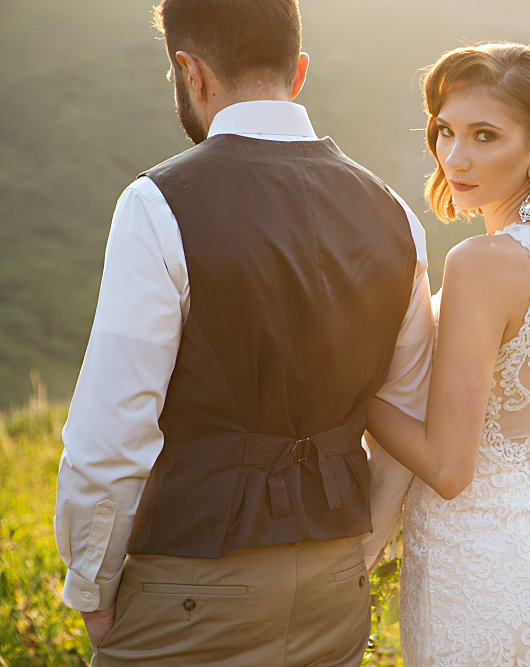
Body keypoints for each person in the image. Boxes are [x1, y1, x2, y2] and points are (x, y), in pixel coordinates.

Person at [52, 0, 433, 664]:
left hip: (192, 587)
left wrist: (94, 590)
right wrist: (356, 553)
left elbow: (109, 439)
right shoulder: (397, 215)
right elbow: (406, 418)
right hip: (335, 586)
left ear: (189, 73)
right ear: (299, 72)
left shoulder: (158, 203)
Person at [365, 43, 530, 665]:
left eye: (485, 136)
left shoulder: (482, 265)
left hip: (480, 571)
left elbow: (450, 468)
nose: (455, 157)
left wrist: (353, 394)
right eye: (446, 132)